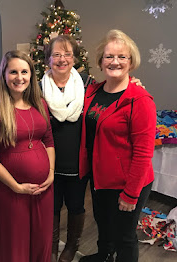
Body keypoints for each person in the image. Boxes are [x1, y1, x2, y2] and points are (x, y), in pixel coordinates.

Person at [78, 29, 156, 262]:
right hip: (100, 177)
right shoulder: (92, 91)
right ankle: (104, 256)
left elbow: (143, 153)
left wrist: (131, 194)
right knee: (103, 223)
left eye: (122, 57)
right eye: (109, 56)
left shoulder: (140, 100)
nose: (115, 61)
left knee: (125, 236)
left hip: (128, 182)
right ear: (100, 61)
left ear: (131, 62)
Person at [0, 50, 55, 262]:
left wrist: (50, 173)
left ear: (31, 75)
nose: (19, 77)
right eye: (13, 72)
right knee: (15, 245)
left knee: (41, 242)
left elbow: (49, 141)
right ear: (4, 75)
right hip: (10, 191)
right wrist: (16, 186)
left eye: (24, 71)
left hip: (44, 189)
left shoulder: (41, 104)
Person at [42, 35, 90, 262]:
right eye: (57, 54)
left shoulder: (87, 84)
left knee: (75, 206)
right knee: (50, 208)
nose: (62, 59)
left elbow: (114, 88)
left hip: (77, 162)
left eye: (67, 54)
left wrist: (134, 82)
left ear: (74, 58)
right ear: (48, 59)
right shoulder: (37, 87)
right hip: (47, 163)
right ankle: (50, 247)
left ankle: (71, 247)